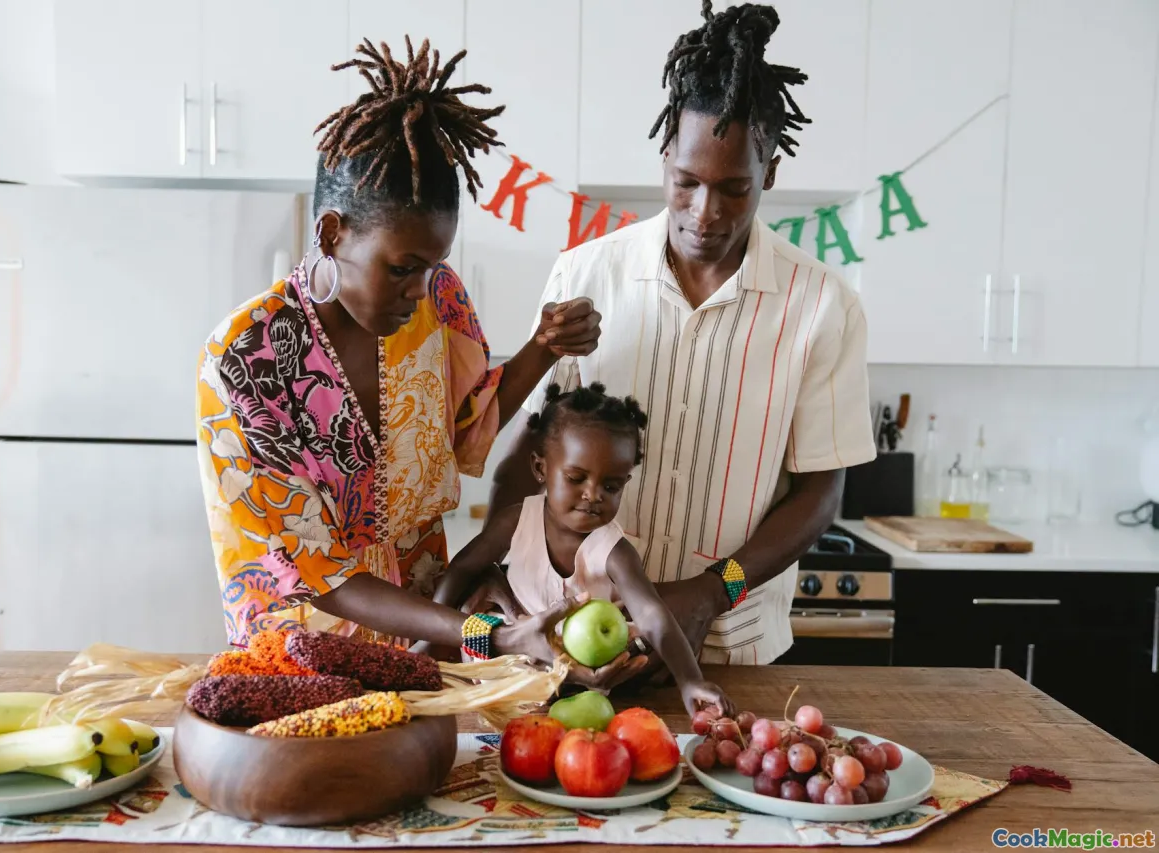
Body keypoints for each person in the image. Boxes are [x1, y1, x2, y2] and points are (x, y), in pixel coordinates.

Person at [487, 2, 877, 682]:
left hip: (732, 645)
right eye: (687, 183)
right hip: (578, 640)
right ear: (665, 154)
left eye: (735, 189)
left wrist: (712, 592)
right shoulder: (585, 275)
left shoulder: (822, 306)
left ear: (770, 172)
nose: (706, 213)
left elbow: (820, 494)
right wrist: (496, 575)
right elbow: (528, 455)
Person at [196, 37, 603, 666]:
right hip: (302, 659)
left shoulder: (440, 300)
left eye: (435, 265)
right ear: (332, 233)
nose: (421, 289)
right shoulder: (245, 358)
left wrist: (544, 348)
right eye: (403, 268)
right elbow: (318, 570)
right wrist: (483, 633)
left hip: (426, 638)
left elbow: (467, 425)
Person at [435, 383, 732, 716]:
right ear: (540, 469)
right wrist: (431, 639)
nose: (593, 494)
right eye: (576, 478)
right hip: (519, 653)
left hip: (588, 670)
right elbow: (463, 568)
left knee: (635, 650)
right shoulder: (515, 521)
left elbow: (651, 614)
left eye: (611, 486)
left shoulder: (614, 550)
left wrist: (690, 681)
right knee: (482, 633)